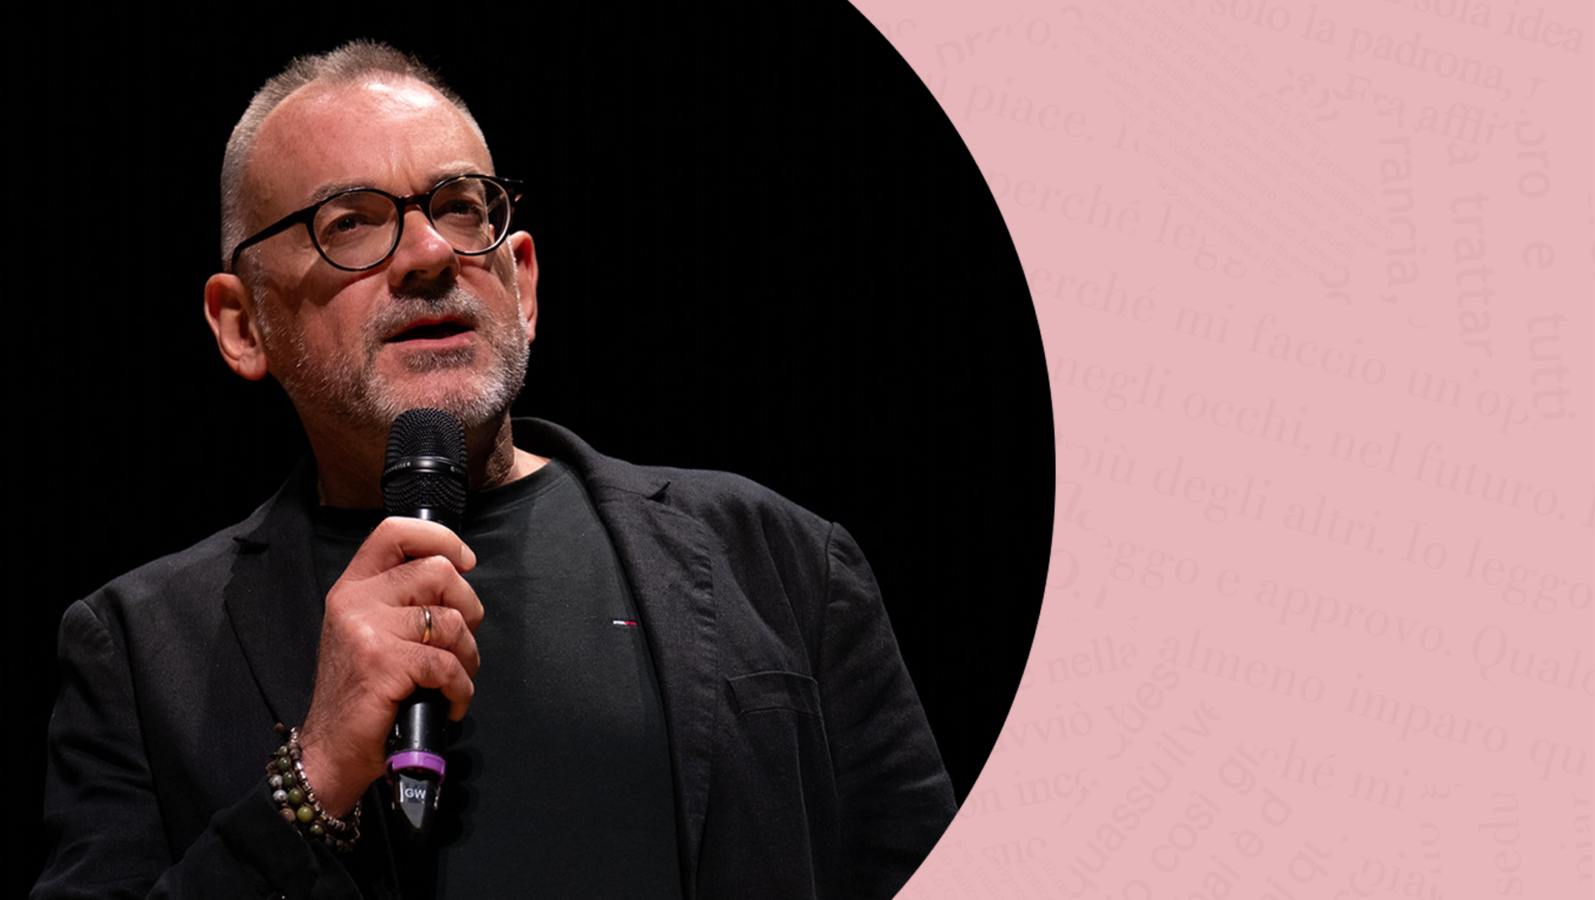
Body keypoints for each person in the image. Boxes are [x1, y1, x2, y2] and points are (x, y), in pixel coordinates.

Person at [36, 41, 955, 899]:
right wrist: (314, 777)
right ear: (244, 325)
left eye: (461, 207)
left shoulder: (784, 561)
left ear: (523, 280)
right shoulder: (140, 652)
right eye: (349, 223)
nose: (431, 254)